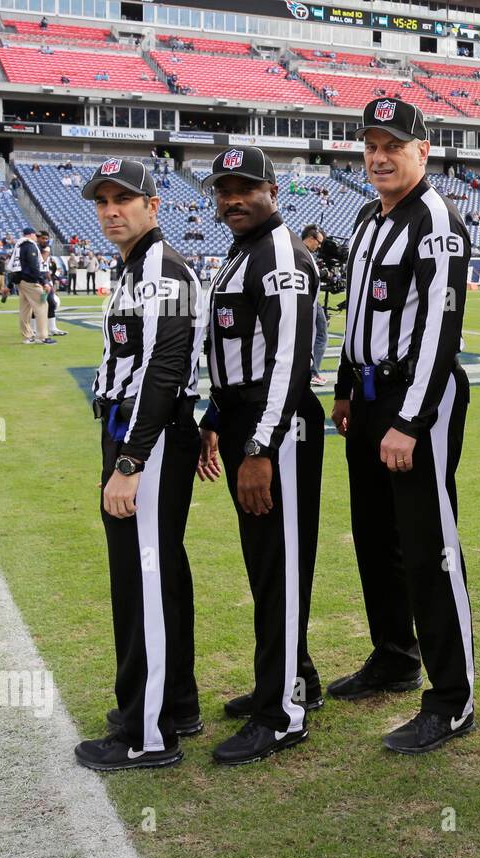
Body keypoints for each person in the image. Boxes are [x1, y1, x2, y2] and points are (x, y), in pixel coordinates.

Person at [328, 99, 477, 755]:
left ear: (423, 150)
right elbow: (358, 312)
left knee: (427, 544)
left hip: (417, 397)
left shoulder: (437, 221)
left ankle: (452, 697)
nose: (380, 156)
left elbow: (441, 333)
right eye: (371, 144)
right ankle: (394, 653)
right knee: (374, 534)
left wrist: (409, 420)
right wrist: (341, 387)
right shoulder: (367, 218)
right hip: (368, 394)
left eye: (394, 144)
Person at [73, 158, 207, 771]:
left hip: (144, 436)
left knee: (141, 579)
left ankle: (146, 732)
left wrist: (129, 460)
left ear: (153, 205)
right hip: (139, 430)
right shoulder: (134, 266)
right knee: (158, 572)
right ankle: (173, 702)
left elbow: (165, 368)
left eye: (123, 198)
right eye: (101, 200)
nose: (110, 210)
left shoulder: (164, 268)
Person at [197, 146, 326, 765]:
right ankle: (294, 678)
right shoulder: (241, 252)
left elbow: (289, 361)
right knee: (266, 562)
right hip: (249, 418)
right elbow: (234, 355)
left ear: (273, 189)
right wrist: (215, 420)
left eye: (245, 187)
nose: (233, 199)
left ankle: (283, 714)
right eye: (224, 189)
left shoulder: (280, 253)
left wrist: (259, 445)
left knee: (280, 566)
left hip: (278, 427)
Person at [8, 227, 53, 344]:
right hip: (30, 281)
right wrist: (43, 282)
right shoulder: (30, 246)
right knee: (42, 306)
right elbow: (34, 267)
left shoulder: (19, 246)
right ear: (31, 235)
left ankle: (27, 336)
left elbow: (14, 267)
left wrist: (10, 284)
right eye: (35, 235)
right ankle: (42, 337)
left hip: (20, 281)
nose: (36, 238)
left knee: (25, 310)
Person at [299, 224, 329, 384]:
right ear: (311, 238)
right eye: (318, 242)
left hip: (307, 300)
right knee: (321, 335)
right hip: (309, 300)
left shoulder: (298, 251)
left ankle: (310, 371)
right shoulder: (303, 253)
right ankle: (312, 372)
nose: (319, 246)